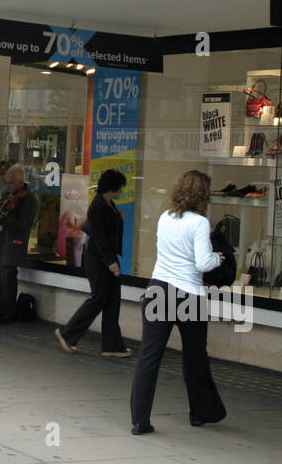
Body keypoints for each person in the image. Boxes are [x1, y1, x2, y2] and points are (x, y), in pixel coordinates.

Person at [129, 170, 227, 435]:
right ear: (203, 194)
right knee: (195, 356)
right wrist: (220, 258)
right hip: (188, 294)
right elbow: (203, 263)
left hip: (158, 288)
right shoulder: (200, 223)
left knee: (148, 357)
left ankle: (139, 420)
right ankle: (201, 411)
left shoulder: (165, 217)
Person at [56, 168, 132, 357]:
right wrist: (110, 262)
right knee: (99, 298)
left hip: (107, 257)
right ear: (112, 188)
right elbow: (99, 237)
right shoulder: (99, 206)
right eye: (120, 188)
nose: (121, 191)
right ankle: (68, 333)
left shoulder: (109, 204)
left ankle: (112, 344)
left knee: (112, 300)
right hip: (99, 259)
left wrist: (119, 219)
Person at [0, 164, 38, 321]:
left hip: (14, 241)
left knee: (8, 274)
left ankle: (8, 311)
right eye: (6, 182)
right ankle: (2, 307)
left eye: (11, 183)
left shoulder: (28, 200)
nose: (7, 186)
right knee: (0, 273)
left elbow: (23, 224)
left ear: (21, 182)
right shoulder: (7, 195)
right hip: (2, 239)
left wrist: (5, 219)